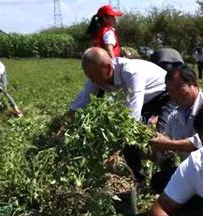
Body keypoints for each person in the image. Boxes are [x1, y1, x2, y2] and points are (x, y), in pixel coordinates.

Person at [69, 47, 173, 180]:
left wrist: (117, 149)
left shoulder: (131, 73)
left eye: (94, 76)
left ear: (107, 67)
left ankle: (170, 175)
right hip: (145, 99)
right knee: (133, 141)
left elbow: (132, 117)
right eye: (89, 76)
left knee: (159, 137)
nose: (93, 81)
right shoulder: (95, 76)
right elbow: (81, 102)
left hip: (166, 95)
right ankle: (137, 178)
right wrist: (62, 126)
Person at [148, 65, 203, 194]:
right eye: (170, 91)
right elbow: (165, 143)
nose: (175, 95)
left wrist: (168, 144)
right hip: (194, 172)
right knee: (159, 180)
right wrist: (154, 151)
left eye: (179, 88)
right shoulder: (174, 116)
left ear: (195, 85)